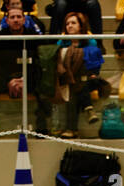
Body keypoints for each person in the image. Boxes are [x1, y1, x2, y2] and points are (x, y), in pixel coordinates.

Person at [0, 5, 46, 135]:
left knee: (44, 79)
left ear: (24, 19)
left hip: (29, 78)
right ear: (7, 20)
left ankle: (42, 123)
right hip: (5, 79)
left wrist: (24, 79)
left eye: (19, 17)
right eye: (12, 17)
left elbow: (39, 62)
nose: (16, 20)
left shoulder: (33, 37)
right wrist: (10, 80)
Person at [47, 10, 99, 138]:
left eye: (73, 23)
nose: (69, 26)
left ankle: (72, 129)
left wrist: (93, 74)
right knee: (75, 88)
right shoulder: (61, 43)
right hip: (69, 78)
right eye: (67, 23)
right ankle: (88, 109)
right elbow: (57, 63)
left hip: (89, 78)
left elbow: (95, 64)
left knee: (81, 84)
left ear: (81, 26)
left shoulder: (90, 42)